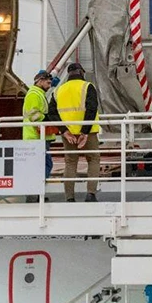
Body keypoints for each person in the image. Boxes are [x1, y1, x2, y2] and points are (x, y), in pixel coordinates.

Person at [55, 61, 100, 203]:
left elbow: (52, 113)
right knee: (93, 160)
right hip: (88, 133)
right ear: (81, 73)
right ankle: (90, 194)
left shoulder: (59, 90)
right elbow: (91, 109)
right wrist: (84, 132)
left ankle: (69, 197)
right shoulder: (87, 87)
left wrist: (64, 131)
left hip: (68, 135)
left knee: (70, 162)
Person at [23, 70, 57, 202]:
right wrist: (47, 119)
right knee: (44, 165)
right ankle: (34, 193)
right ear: (40, 81)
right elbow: (34, 115)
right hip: (35, 137)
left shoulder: (38, 93)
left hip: (38, 137)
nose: (49, 85)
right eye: (48, 83)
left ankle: (36, 193)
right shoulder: (34, 94)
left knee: (40, 166)